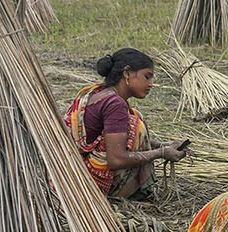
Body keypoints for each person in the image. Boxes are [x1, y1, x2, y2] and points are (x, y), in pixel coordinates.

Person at [61, 48, 188, 200]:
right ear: (127, 74)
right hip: (90, 183)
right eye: (147, 77)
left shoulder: (100, 93)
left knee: (133, 122)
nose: (151, 84)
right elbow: (116, 159)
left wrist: (163, 145)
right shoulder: (115, 104)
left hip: (73, 171)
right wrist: (160, 153)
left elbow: (114, 138)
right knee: (135, 123)